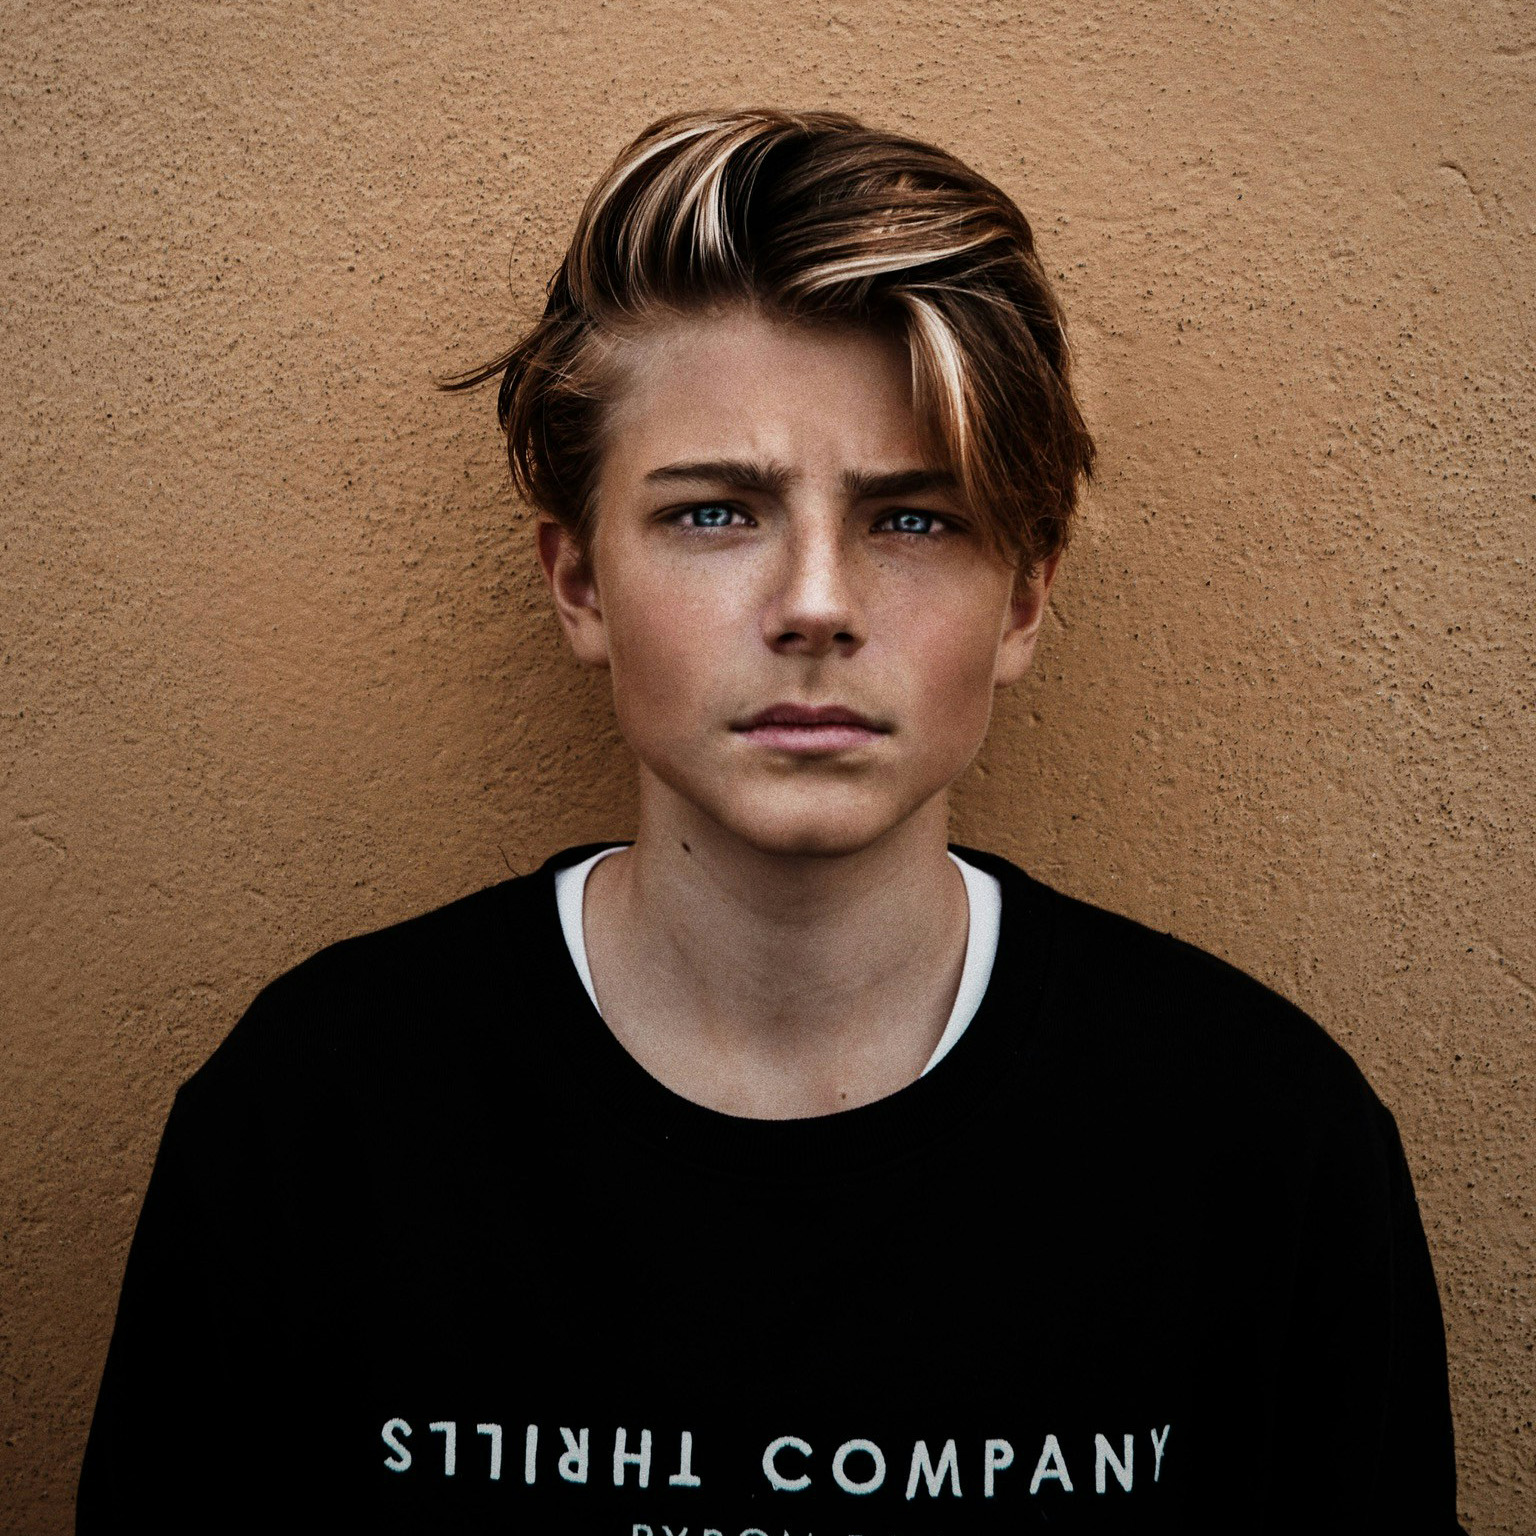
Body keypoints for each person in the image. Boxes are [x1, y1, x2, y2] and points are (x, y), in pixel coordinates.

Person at [78, 108, 1464, 1534]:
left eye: (914, 519)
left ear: (1027, 598)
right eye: (713, 514)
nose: (816, 604)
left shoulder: (1258, 1144)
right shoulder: (316, 1121)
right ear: (578, 585)